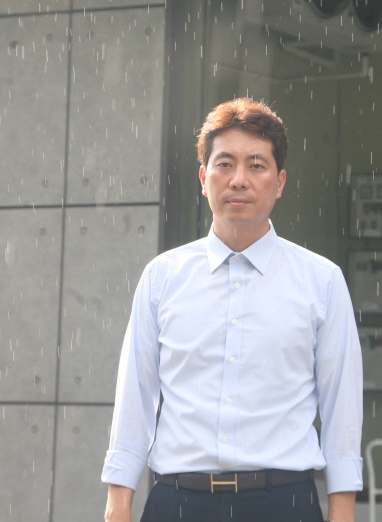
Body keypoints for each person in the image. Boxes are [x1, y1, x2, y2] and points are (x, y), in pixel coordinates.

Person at [102, 97, 363, 522]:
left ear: (280, 182)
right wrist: (118, 505)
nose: (239, 180)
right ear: (204, 178)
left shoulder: (322, 281)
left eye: (256, 165)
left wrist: (343, 511)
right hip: (177, 502)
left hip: (284, 504)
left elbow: (342, 406)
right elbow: (135, 395)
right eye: (224, 164)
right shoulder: (162, 277)